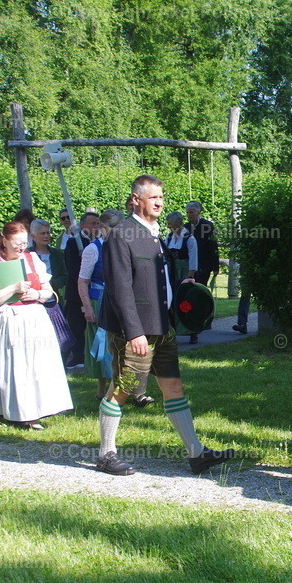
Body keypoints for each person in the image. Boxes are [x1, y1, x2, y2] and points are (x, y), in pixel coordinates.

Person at [94, 175, 235, 476]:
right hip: (135, 331)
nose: (159, 202)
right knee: (124, 388)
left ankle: (196, 454)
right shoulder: (121, 235)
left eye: (161, 197)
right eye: (153, 197)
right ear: (136, 199)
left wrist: (181, 285)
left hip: (162, 326)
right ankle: (106, 454)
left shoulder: (155, 233)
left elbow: (157, 279)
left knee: (173, 386)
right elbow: (119, 288)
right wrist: (133, 332)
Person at [0, 221, 73, 430]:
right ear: (5, 240)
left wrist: (37, 294)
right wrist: (13, 288)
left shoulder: (33, 259)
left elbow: (48, 292)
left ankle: (39, 408)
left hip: (35, 318)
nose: (21, 247)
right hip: (9, 319)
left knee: (38, 365)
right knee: (17, 366)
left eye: (24, 243)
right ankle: (18, 411)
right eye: (16, 243)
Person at [79, 210, 124, 398]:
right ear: (103, 228)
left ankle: (130, 389)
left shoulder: (125, 246)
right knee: (103, 345)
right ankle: (103, 390)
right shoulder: (93, 249)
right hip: (101, 301)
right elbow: (83, 281)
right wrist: (88, 308)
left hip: (122, 300)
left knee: (124, 344)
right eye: (113, 227)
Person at [29, 218, 73, 355]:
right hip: (33, 302)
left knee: (60, 338)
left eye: (48, 233)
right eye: (42, 233)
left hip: (53, 301)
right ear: (33, 236)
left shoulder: (56, 254)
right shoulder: (27, 255)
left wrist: (48, 285)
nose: (46, 236)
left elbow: (64, 276)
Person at [62, 211, 99, 369]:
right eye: (92, 223)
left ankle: (94, 356)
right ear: (83, 225)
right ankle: (77, 357)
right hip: (76, 293)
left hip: (95, 291)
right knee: (76, 326)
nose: (96, 227)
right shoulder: (73, 243)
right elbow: (74, 270)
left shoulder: (99, 242)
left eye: (97, 223)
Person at [166, 211, 201, 343]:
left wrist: (189, 276)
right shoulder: (169, 237)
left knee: (187, 301)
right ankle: (173, 330)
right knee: (172, 301)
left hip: (186, 273)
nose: (168, 226)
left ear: (177, 223)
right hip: (172, 273)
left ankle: (192, 331)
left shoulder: (189, 239)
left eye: (170, 223)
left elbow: (193, 260)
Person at [184, 201, 218, 289]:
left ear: (198, 212)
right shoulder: (185, 228)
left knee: (201, 288)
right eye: (187, 213)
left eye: (191, 212)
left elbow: (213, 246)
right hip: (189, 265)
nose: (189, 215)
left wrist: (215, 267)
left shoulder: (207, 226)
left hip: (204, 265)